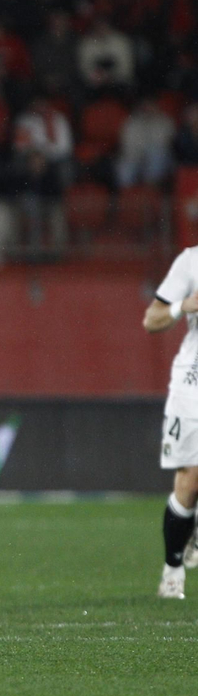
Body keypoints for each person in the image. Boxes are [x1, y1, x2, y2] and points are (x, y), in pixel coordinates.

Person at [142, 250, 198, 599]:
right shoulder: (191, 262)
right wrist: (183, 306)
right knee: (190, 482)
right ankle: (173, 568)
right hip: (193, 387)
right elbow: (152, 319)